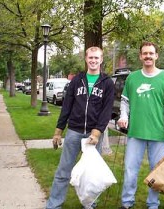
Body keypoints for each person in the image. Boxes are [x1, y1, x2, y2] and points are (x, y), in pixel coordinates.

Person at [45, 46, 115, 209]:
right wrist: (58, 132)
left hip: (93, 134)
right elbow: (66, 107)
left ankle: (90, 204)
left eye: (96, 58)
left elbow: (106, 112)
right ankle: (53, 205)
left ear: (101, 60)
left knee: (91, 174)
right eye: (91, 57)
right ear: (86, 58)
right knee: (63, 171)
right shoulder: (77, 80)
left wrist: (97, 133)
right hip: (74, 132)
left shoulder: (107, 83)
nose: (93, 60)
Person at [117, 41, 164, 209]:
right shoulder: (132, 78)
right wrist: (123, 116)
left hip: (158, 135)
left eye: (151, 53)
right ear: (140, 56)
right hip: (136, 133)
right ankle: (127, 203)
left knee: (156, 173)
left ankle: (153, 204)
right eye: (145, 53)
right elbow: (124, 101)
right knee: (130, 171)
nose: (148, 56)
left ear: (156, 56)